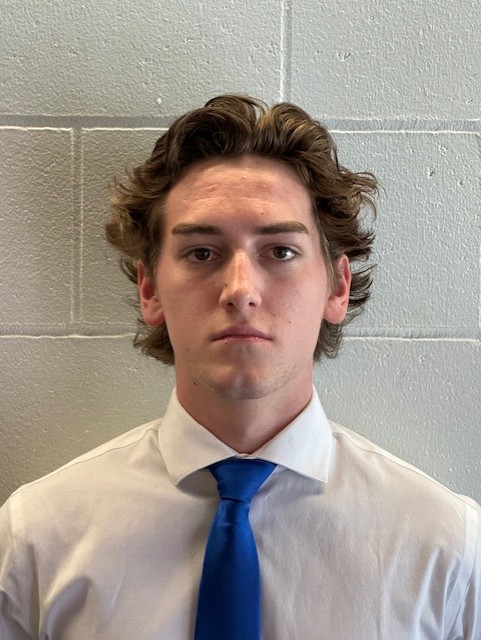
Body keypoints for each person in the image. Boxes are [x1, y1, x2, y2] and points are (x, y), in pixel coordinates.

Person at [0, 95, 479, 639]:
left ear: (337, 287)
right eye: (202, 253)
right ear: (150, 290)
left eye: (280, 251)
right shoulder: (38, 539)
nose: (241, 289)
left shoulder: (444, 548)